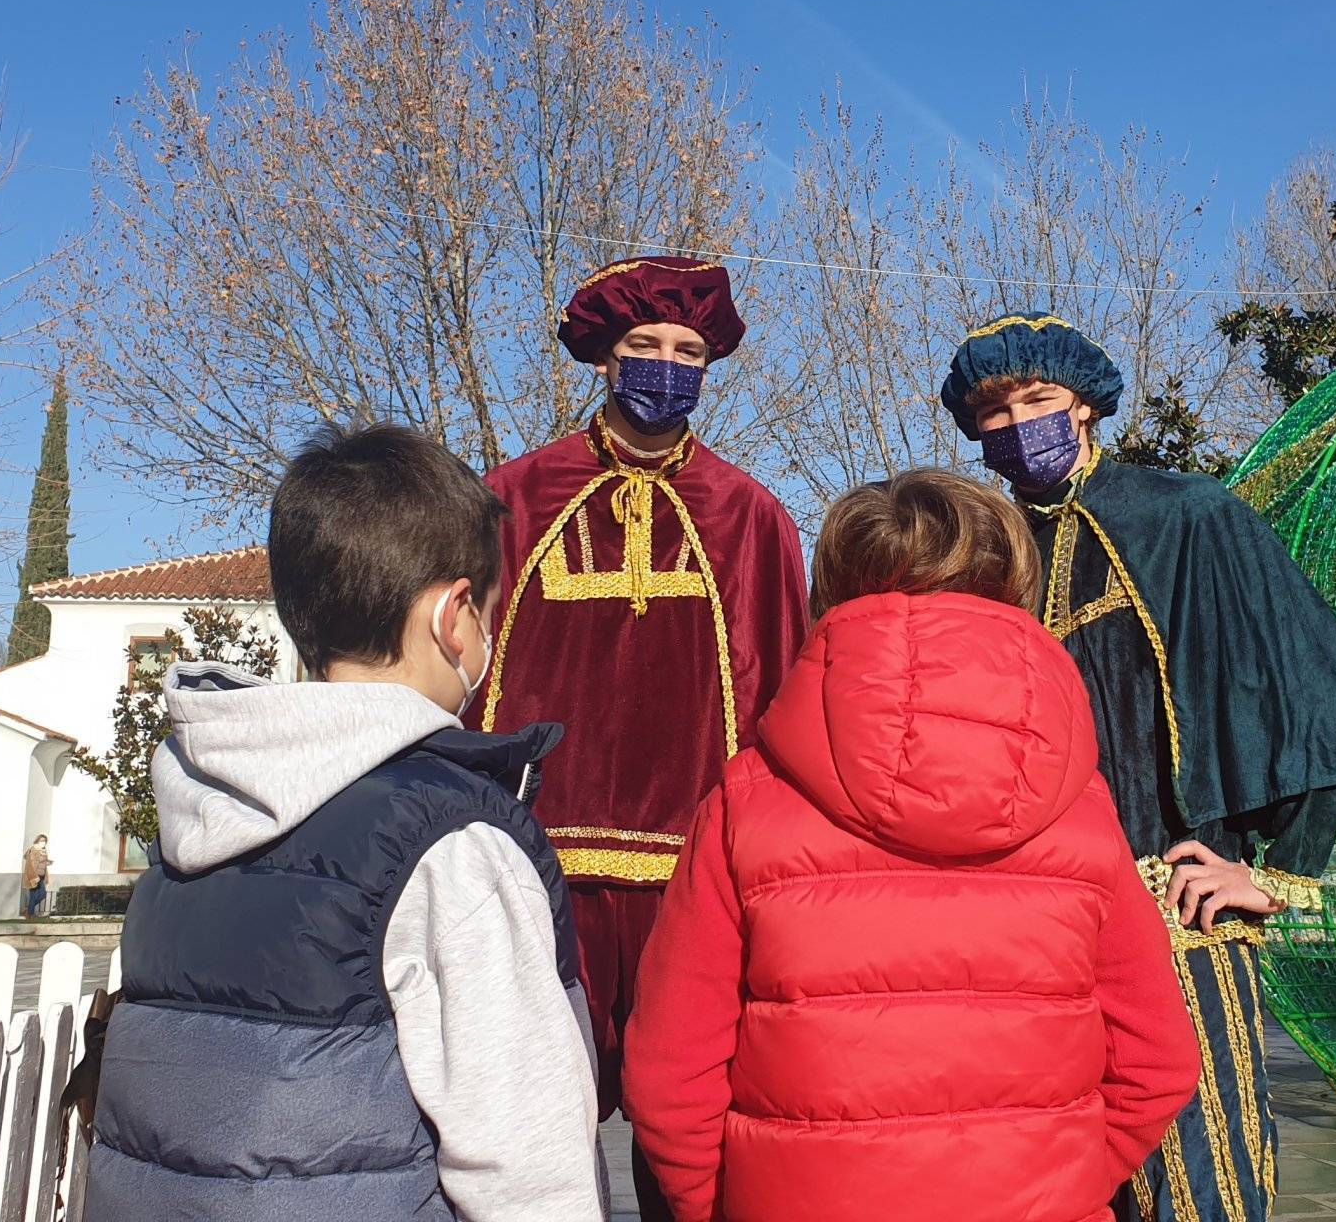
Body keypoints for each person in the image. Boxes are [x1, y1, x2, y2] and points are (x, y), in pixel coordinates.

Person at [940, 313, 1336, 1222]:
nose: (1017, 423)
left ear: (1083, 403)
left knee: (1202, 1172)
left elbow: (1317, 691)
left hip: (1172, 906)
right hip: (1030, 924)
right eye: (993, 410)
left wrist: (1278, 872)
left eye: (1036, 399)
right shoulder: (986, 555)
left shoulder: (1187, 516)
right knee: (1052, 1174)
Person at [625, 470, 1200, 1222]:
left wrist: (725, 1206)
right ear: (1012, 583)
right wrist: (1059, 1183)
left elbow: (672, 1078)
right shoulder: (1081, 807)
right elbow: (1158, 1063)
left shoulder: (744, 802)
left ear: (831, 591)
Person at [87, 423, 603, 1220]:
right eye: (490, 615)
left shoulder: (194, 817)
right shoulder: (453, 842)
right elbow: (528, 1164)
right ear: (452, 616)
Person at [476, 255, 809, 1221]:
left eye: (686, 351)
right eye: (645, 347)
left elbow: (781, 689)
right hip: (541, 878)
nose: (666, 365)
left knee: (690, 1130)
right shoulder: (515, 498)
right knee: (536, 1128)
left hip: (693, 888)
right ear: (606, 358)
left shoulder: (751, 517)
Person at [22, 835, 52, 919]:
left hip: (42, 876)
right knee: (33, 896)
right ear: (37, 841)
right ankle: (29, 915)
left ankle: (28, 911)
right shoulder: (33, 850)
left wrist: (47, 862)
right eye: (41, 840)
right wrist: (34, 876)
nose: (43, 842)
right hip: (34, 877)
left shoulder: (43, 851)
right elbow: (30, 864)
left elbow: (41, 862)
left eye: (45, 841)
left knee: (43, 895)